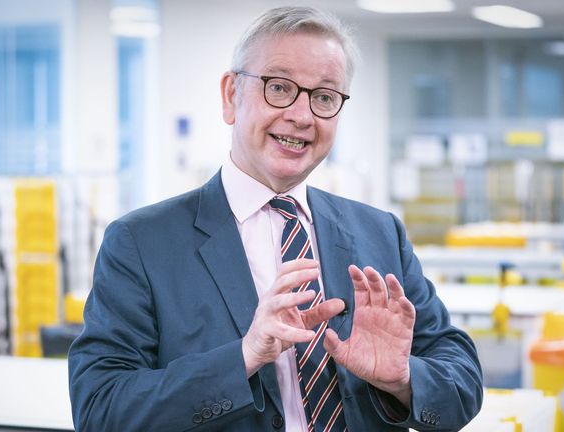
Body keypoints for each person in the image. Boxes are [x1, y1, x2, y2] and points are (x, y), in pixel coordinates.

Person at [69, 6, 483, 432]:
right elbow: (100, 410)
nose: (302, 116)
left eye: (324, 97)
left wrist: (403, 379)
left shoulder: (379, 233)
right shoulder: (141, 243)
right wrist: (245, 356)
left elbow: (462, 383)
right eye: (280, 88)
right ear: (231, 95)